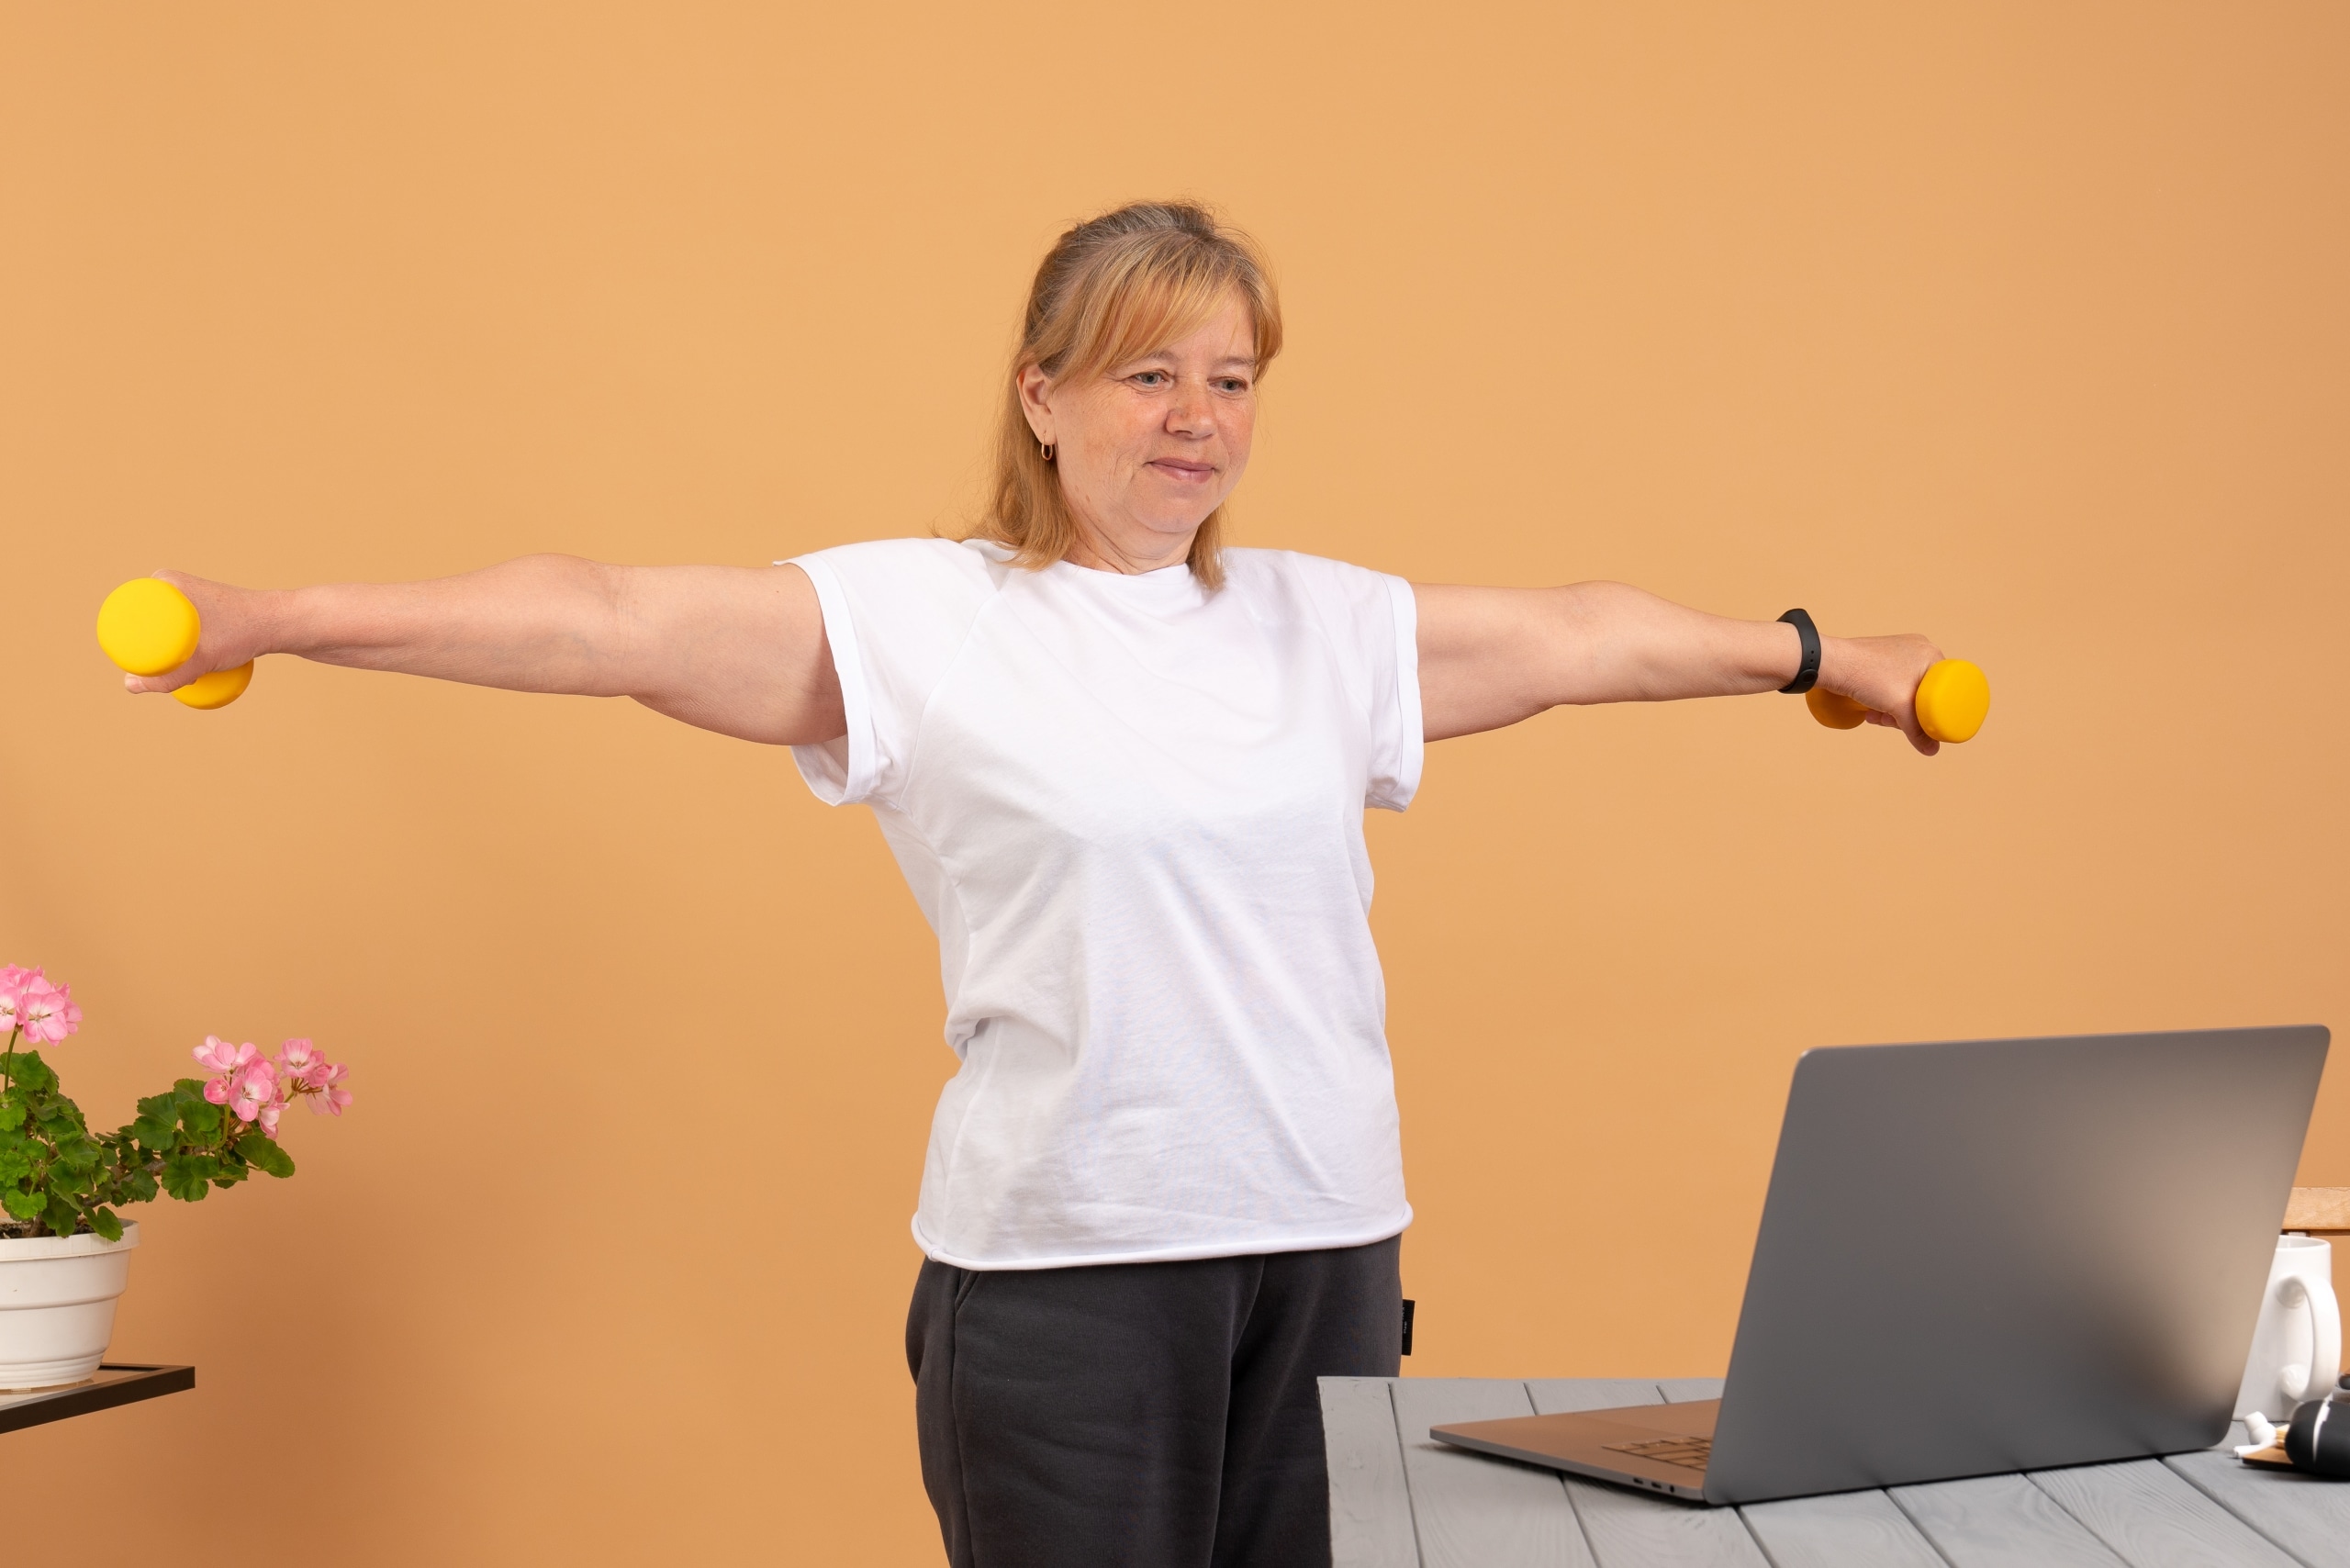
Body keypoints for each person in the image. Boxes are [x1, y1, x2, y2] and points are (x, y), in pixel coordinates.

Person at [128, 201, 1946, 1568]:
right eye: (1149, 371)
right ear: (1042, 388)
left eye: (1229, 379)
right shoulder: (921, 621)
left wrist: (1806, 650)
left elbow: (1575, 636)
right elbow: (595, 614)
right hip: (1068, 1268)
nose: (1195, 417)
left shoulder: (1316, 624)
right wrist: (270, 622)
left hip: (1321, 1245)